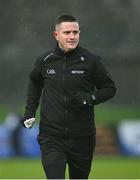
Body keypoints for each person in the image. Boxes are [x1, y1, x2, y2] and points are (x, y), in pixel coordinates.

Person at [22, 15, 116, 179]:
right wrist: (30, 112)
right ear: (56, 35)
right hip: (51, 136)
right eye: (67, 32)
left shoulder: (90, 60)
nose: (72, 36)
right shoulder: (45, 60)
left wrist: (89, 98)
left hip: (82, 137)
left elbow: (109, 88)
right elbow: (34, 84)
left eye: (75, 32)